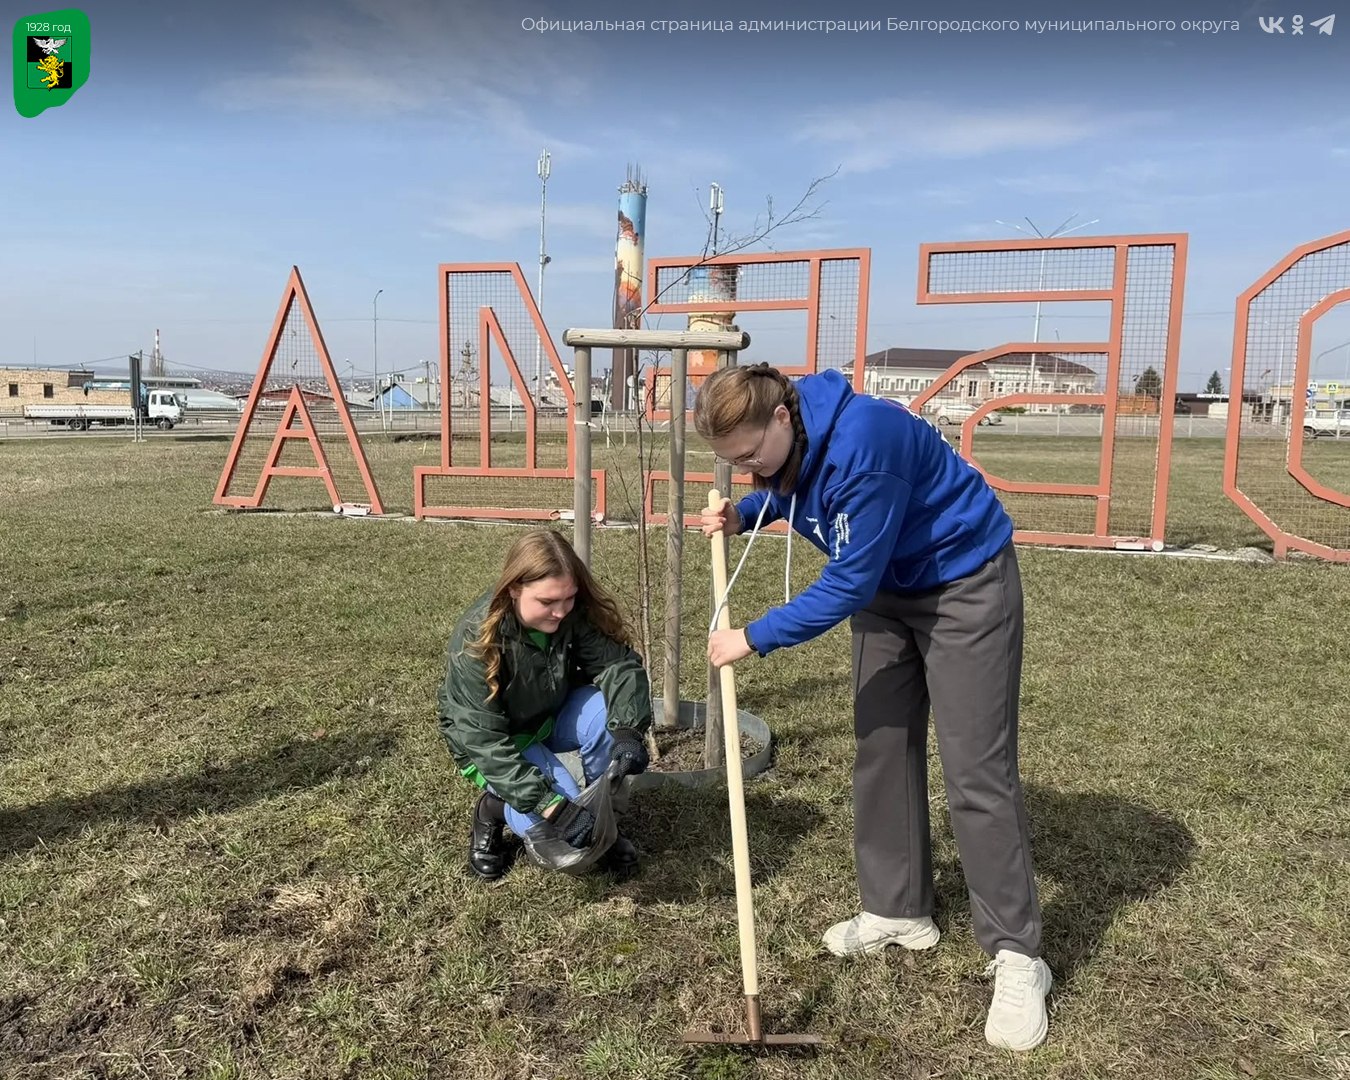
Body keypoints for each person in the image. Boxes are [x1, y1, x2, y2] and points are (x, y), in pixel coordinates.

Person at [695, 363, 1051, 1052]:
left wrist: (752, 637)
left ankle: (1017, 956)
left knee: (976, 770)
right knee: (882, 746)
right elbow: (795, 489)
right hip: (889, 588)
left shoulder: (866, 443)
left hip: (963, 582)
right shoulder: (788, 439)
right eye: (728, 462)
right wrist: (743, 513)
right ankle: (897, 909)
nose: (744, 469)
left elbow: (848, 578)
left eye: (747, 457)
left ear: (780, 418)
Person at [436, 528, 652, 881]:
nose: (560, 612)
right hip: (496, 744)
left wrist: (628, 731)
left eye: (568, 598)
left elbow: (617, 666)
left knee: (606, 716)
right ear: (514, 588)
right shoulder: (474, 639)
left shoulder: (571, 613)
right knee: (555, 827)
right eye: (547, 602)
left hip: (548, 715)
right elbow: (483, 741)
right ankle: (492, 810)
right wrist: (553, 807)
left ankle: (602, 825)